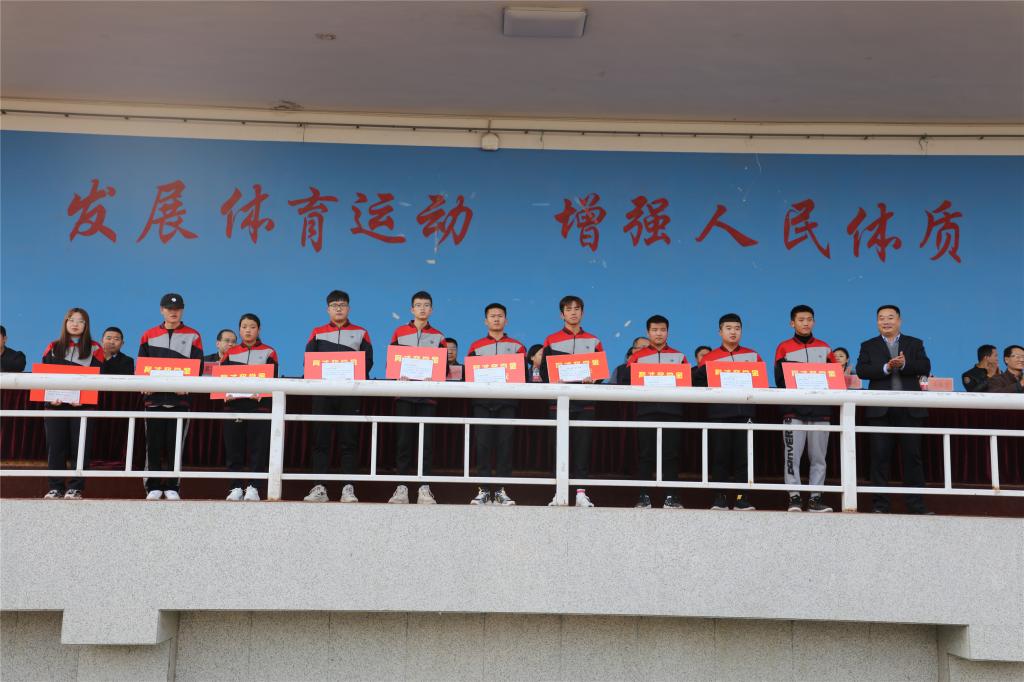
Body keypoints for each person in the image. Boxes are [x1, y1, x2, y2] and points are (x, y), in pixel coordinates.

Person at [855, 305, 932, 515]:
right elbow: (862, 370)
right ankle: (880, 506)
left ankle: (916, 506)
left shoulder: (914, 343)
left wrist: (905, 364)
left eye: (890, 317)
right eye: (881, 318)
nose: (886, 321)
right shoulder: (868, 345)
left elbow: (925, 366)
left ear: (899, 321)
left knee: (913, 457)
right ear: (876, 322)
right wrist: (887, 367)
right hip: (880, 411)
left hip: (910, 409)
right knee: (879, 457)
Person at [302, 290, 374, 503]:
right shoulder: (317, 332)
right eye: (334, 305)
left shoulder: (361, 333)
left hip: (349, 394)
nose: (339, 308)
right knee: (320, 441)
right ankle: (319, 487)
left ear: (349, 308)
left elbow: (367, 362)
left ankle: (348, 488)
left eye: (342, 305)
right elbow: (309, 362)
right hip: (322, 394)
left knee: (349, 441)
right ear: (328, 309)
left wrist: (349, 376)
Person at [137, 293, 204, 501]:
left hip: (180, 401)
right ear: (161, 310)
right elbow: (142, 366)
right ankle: (153, 486)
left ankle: (173, 485)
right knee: (153, 445)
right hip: (154, 401)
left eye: (177, 309)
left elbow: (198, 366)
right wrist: (145, 384)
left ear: (182, 310)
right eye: (169, 309)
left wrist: (188, 385)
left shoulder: (193, 336)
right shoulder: (148, 335)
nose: (173, 312)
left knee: (176, 446)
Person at [692, 313, 762, 511]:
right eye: (729, 328)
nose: (733, 332)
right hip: (719, 414)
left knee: (744, 458)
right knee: (720, 457)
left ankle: (742, 498)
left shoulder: (752, 356)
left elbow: (761, 382)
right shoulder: (710, 358)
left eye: (737, 328)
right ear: (720, 332)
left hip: (745, 414)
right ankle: (720, 498)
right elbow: (698, 383)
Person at [539, 294, 604, 507]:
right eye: (568, 309)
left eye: (577, 309)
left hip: (585, 403)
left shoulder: (594, 341)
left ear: (582, 313)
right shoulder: (551, 340)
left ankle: (581, 494)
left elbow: (600, 372)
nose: (573, 313)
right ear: (562, 315)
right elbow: (544, 371)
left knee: (582, 450)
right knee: (558, 449)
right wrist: (554, 378)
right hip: (559, 404)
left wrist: (594, 379)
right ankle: (559, 493)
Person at [773, 305, 836, 513]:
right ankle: (794, 497)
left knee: (819, 458)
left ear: (814, 322)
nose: (806, 323)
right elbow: (780, 380)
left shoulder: (825, 347)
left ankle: (815, 499)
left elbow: (834, 378)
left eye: (809, 319)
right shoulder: (784, 347)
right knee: (792, 457)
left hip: (821, 411)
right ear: (792, 323)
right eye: (801, 320)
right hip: (793, 410)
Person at [388, 290, 448, 504]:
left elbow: (444, 367)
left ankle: (424, 488)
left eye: (426, 305)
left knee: (426, 444)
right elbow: (392, 361)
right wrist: (398, 374)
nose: (422, 309)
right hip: (404, 395)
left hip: (427, 397)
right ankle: (402, 488)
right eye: (418, 305)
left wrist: (435, 375)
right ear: (411, 309)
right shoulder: (399, 332)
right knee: (403, 443)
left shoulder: (439, 336)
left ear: (432, 310)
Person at [465, 303, 527, 505]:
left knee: (505, 447)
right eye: (492, 316)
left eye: (500, 315)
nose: (496, 319)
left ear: (506, 320)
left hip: (507, 403)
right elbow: (469, 375)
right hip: (482, 403)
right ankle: (483, 490)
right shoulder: (476, 346)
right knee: (482, 447)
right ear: (486, 321)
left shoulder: (517, 346)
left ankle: (501, 490)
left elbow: (523, 376)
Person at [41, 308, 104, 499]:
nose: (75, 324)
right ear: (65, 323)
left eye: (80, 321)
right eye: (71, 320)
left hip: (82, 407)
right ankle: (56, 487)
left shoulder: (95, 348)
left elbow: (99, 378)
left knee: (80, 447)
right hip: (55, 405)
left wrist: (83, 399)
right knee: (55, 447)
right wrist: (50, 398)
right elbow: (43, 376)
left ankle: (76, 487)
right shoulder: (53, 346)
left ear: (86, 325)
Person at [628, 315, 687, 509]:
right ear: (648, 332)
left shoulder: (679, 356)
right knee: (646, 455)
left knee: (671, 455)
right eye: (654, 330)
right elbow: (627, 379)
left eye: (662, 330)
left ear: (668, 332)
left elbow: (687, 383)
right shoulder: (637, 357)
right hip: (646, 411)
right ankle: (643, 496)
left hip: (672, 412)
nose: (658, 334)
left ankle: (672, 496)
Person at [221, 314, 279, 501]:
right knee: (233, 449)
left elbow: (272, 379)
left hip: (258, 408)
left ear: (259, 330)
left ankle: (254, 487)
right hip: (234, 407)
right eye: (244, 326)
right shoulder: (230, 353)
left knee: (258, 450)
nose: (248, 330)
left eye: (252, 327)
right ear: (239, 330)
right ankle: (235, 487)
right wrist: (225, 393)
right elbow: (221, 380)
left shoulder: (269, 352)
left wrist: (261, 392)